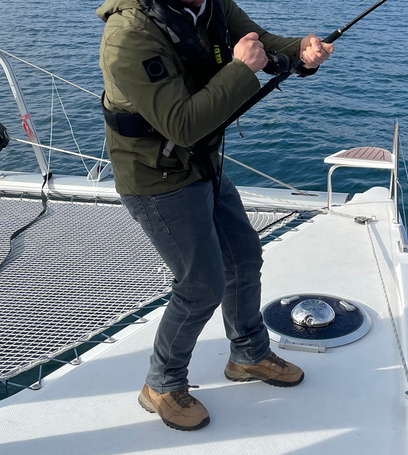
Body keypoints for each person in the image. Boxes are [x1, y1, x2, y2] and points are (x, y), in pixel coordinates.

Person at [96, 0, 333, 431]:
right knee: (200, 284)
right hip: (155, 176)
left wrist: (303, 50)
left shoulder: (212, 5)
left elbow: (263, 44)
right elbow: (181, 125)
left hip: (203, 162)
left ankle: (248, 354)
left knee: (243, 257)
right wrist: (242, 70)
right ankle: (161, 385)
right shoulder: (127, 35)